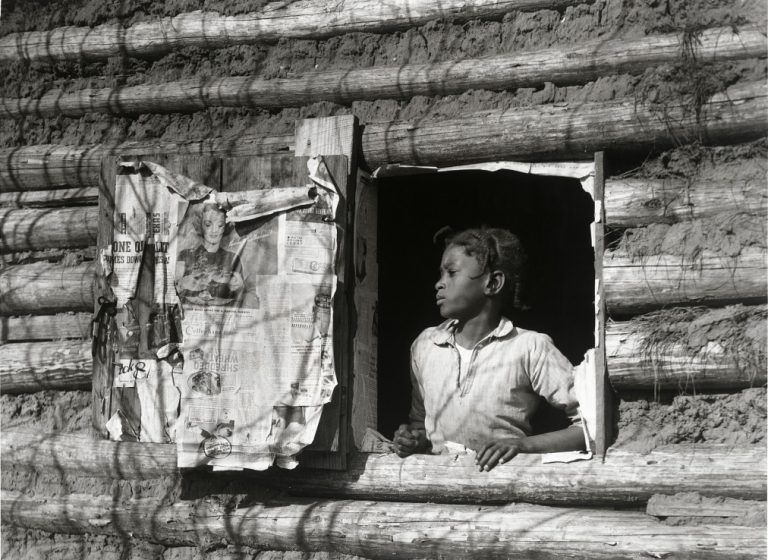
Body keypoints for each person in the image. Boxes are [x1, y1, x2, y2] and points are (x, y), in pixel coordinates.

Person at [393, 227, 585, 471]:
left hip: (502, 489)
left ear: (493, 283)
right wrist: (413, 439)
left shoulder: (529, 348)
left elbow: (590, 426)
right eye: (440, 274)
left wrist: (523, 445)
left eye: (451, 273)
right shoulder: (426, 345)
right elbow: (421, 423)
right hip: (439, 491)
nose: (439, 284)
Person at [176, 203, 244, 306]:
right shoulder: (185, 255)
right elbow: (174, 289)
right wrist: (183, 283)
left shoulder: (232, 257)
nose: (214, 231)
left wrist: (239, 288)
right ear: (200, 225)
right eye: (208, 224)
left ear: (225, 227)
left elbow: (241, 295)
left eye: (220, 225)